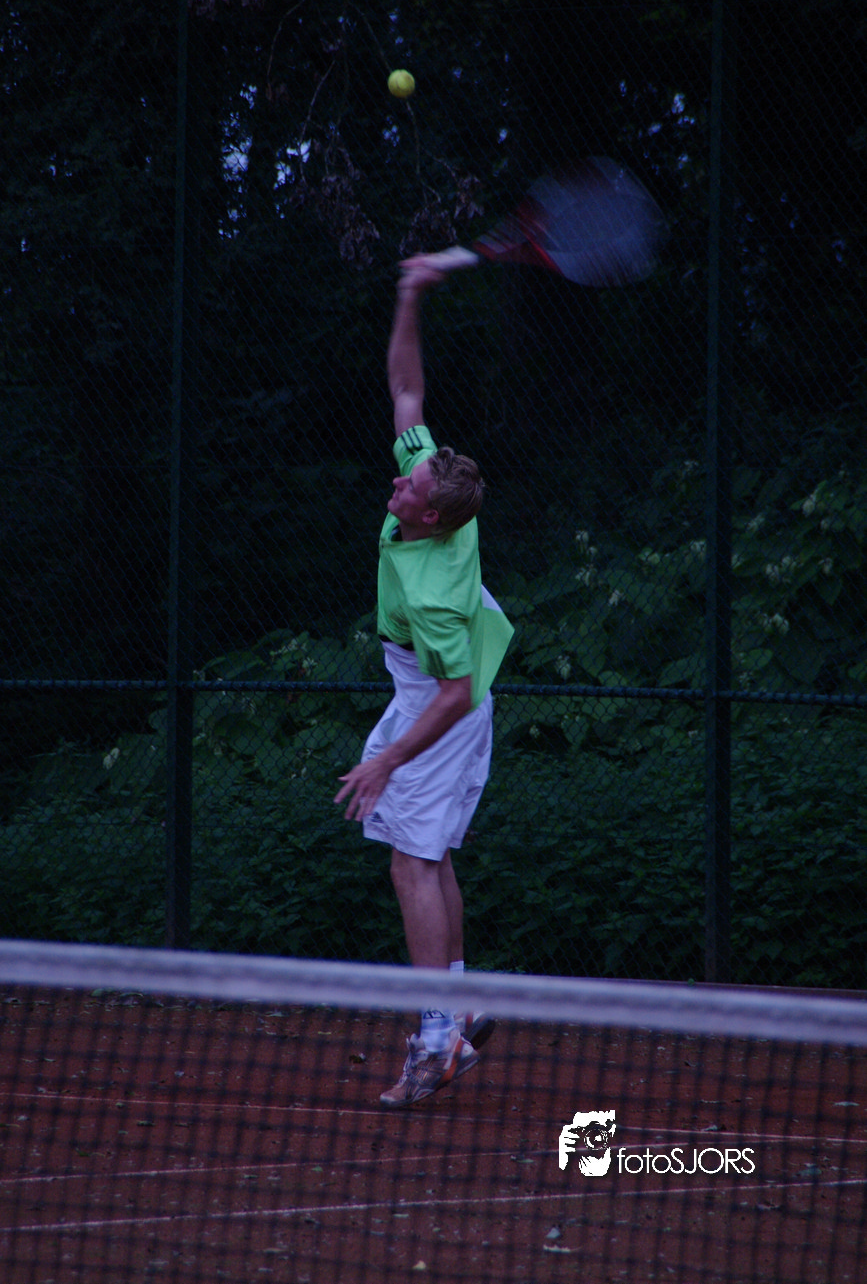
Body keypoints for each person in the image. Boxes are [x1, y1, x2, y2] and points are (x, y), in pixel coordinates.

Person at [335, 253, 514, 1109]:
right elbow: (406, 389)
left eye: (406, 485)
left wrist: (386, 759)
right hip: (434, 686)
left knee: (412, 865)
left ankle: (438, 1036)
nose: (396, 479)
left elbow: (452, 692)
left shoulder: (436, 592)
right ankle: (461, 999)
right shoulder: (432, 494)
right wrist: (409, 293)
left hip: (442, 697)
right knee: (427, 855)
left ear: (429, 513)